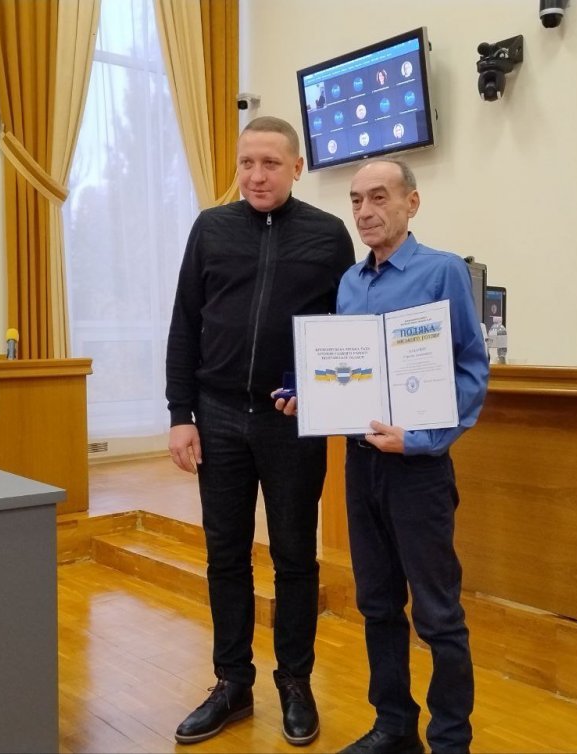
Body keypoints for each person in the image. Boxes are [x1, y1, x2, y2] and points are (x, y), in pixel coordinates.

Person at [275, 158, 488, 754]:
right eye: (355, 200)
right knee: (376, 604)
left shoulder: (442, 271)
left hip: (418, 471)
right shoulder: (349, 283)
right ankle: (394, 725)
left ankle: (450, 740)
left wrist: (420, 440)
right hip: (361, 464)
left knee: (438, 615)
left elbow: (471, 369)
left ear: (411, 204)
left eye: (378, 198)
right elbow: (353, 374)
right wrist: (312, 398)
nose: (365, 212)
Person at [166, 115, 356, 746]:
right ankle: (232, 683)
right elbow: (185, 323)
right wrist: (180, 414)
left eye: (270, 163)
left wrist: (321, 396)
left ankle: (295, 682)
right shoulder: (210, 228)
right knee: (225, 555)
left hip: (291, 423)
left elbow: (342, 331)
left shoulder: (329, 236)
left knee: (295, 557)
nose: (255, 175)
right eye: (246, 162)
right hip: (218, 416)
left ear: (297, 168)